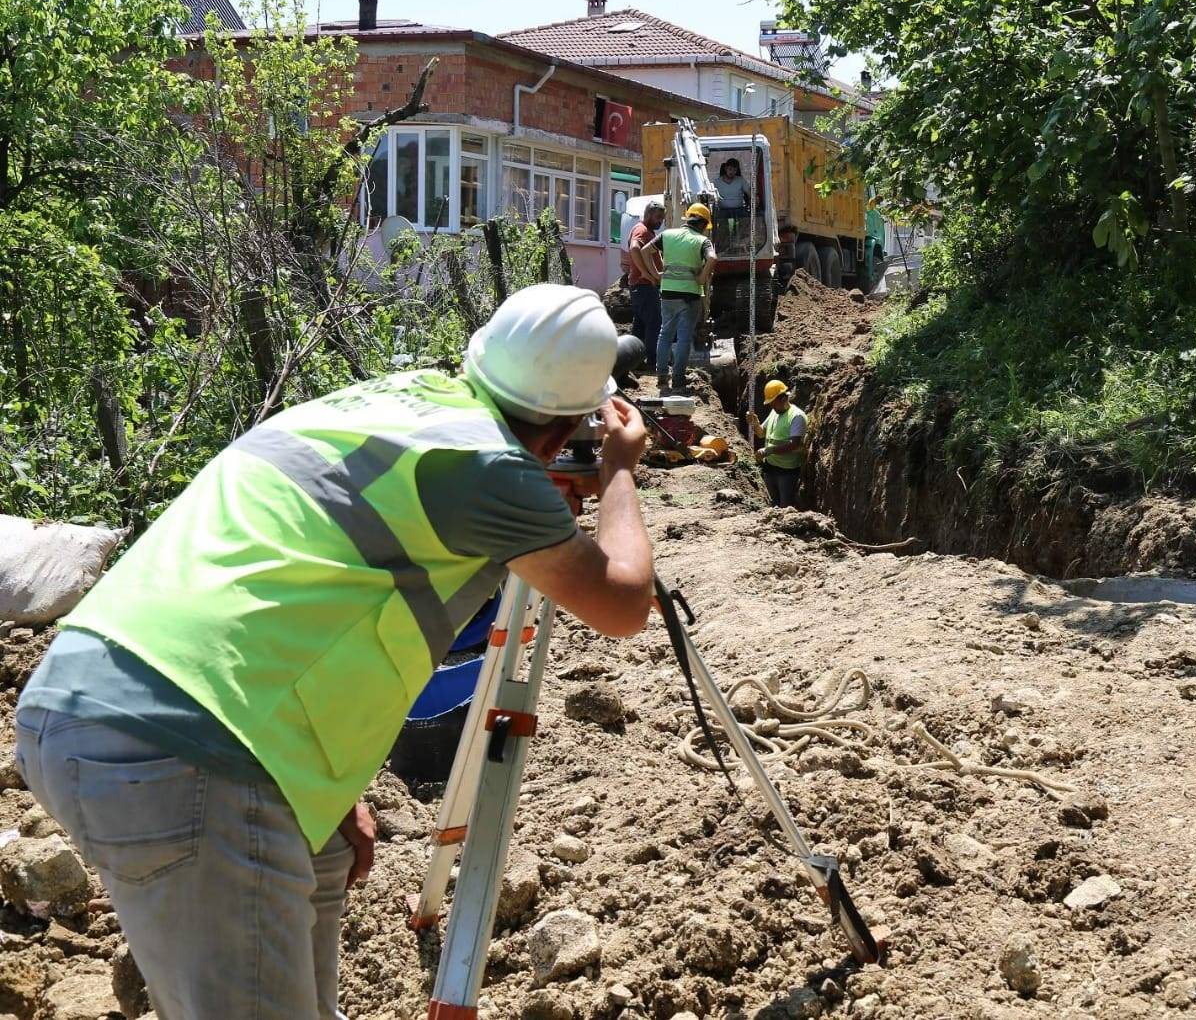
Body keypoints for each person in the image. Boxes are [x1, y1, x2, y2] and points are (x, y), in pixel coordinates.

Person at [11, 285, 654, 1020]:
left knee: (312, 901)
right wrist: (620, 471)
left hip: (86, 694)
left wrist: (324, 793)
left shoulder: (389, 401)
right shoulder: (489, 466)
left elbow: (290, 586)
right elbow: (624, 601)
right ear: (562, 427)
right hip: (185, 752)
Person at [656, 203, 716, 394]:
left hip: (667, 292)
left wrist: (653, 273)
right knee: (683, 338)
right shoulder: (702, 241)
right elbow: (713, 258)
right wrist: (701, 277)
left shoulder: (667, 235)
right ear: (703, 224)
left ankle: (662, 376)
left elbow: (643, 251)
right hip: (689, 295)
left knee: (665, 334)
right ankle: (679, 379)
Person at [746, 379, 808, 508]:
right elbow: (761, 433)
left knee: (785, 506)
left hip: (787, 471)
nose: (772, 406)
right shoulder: (775, 411)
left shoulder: (797, 416)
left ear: (783, 399)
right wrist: (755, 423)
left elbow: (794, 444)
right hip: (770, 467)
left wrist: (769, 450)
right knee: (773, 504)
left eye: (773, 403)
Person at [626, 202, 666, 369]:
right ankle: (652, 362)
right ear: (648, 214)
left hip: (641, 286)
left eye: (662, 219)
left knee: (641, 326)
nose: (660, 222)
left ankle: (633, 362)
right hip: (643, 286)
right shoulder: (641, 230)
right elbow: (635, 248)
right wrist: (645, 273)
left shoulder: (647, 231)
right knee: (654, 323)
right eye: (658, 218)